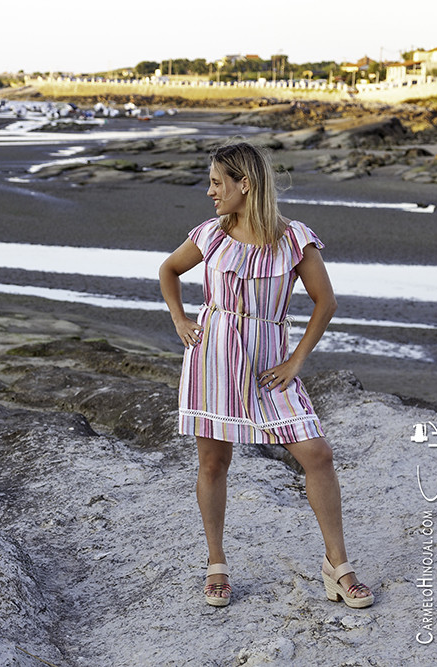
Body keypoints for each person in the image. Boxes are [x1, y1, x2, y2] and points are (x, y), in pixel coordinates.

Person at [158, 142, 374, 609]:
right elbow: (169, 271)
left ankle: (338, 567)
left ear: (245, 185)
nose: (210, 192)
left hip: (268, 369)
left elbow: (326, 302)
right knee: (214, 463)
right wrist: (180, 319)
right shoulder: (211, 235)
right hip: (212, 359)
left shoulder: (294, 239)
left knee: (316, 453)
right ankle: (216, 563)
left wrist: (296, 361)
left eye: (218, 183)